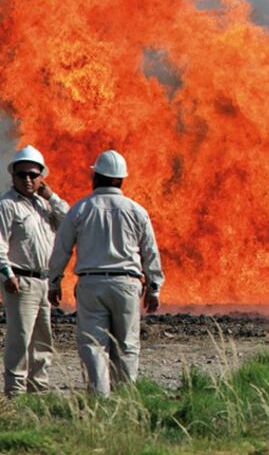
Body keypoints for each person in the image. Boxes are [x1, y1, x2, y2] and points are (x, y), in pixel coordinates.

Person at [48, 150, 163, 396]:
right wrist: (154, 287)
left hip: (91, 285)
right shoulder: (136, 210)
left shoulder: (80, 209)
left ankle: (99, 401)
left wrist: (54, 281)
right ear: (121, 179)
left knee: (93, 346)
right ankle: (126, 401)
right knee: (127, 346)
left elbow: (61, 249)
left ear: (96, 177)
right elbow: (150, 252)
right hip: (127, 284)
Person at [0, 146, 68, 396]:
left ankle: (38, 390)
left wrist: (52, 197)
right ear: (13, 176)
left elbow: (69, 222)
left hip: (44, 280)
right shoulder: (7, 205)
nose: (27, 179)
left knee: (43, 339)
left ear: (42, 177)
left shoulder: (43, 204)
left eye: (33, 175)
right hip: (20, 281)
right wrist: (7, 274)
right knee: (20, 338)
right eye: (22, 175)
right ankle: (15, 393)